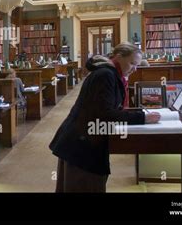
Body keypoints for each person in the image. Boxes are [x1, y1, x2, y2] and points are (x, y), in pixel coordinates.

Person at [49, 42, 161, 193]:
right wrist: (142, 118)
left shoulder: (110, 73)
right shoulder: (105, 75)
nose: (135, 69)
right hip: (82, 146)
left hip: (84, 141)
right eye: (133, 63)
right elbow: (106, 114)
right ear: (119, 57)